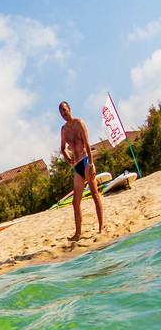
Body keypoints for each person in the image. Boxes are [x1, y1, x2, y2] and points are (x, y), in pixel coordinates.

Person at [59, 100, 105, 241]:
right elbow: (62, 148)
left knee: (94, 194)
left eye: (64, 110)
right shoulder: (64, 130)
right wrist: (68, 159)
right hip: (77, 166)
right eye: (61, 112)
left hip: (86, 161)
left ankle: (101, 228)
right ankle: (78, 233)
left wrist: (91, 163)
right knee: (75, 202)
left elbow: (87, 143)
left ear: (69, 109)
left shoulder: (79, 123)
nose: (63, 113)